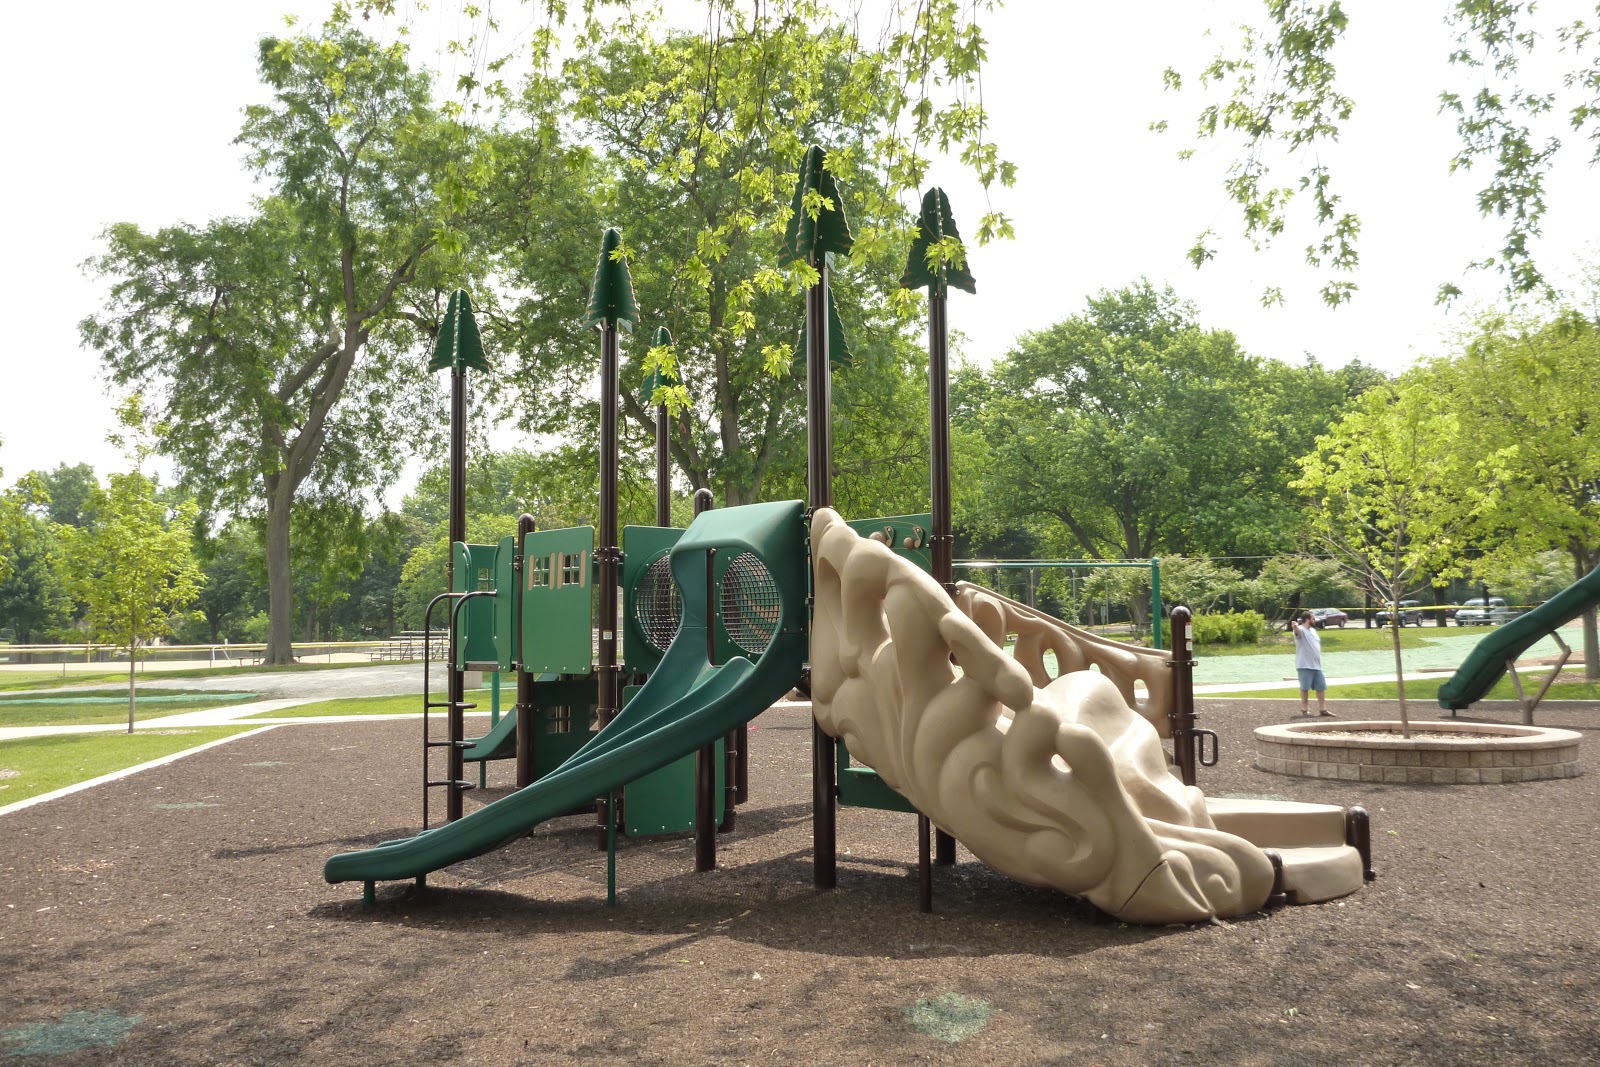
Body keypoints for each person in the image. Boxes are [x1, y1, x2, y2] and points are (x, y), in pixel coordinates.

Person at [1288, 610, 1333, 717]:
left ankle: (1323, 710)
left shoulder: (1313, 631)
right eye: (1313, 618)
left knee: (1321, 687)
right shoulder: (1301, 630)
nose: (1315, 620)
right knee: (1305, 688)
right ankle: (1304, 710)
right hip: (1304, 665)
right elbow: (1297, 633)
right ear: (1307, 619)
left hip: (1317, 665)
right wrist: (1295, 627)